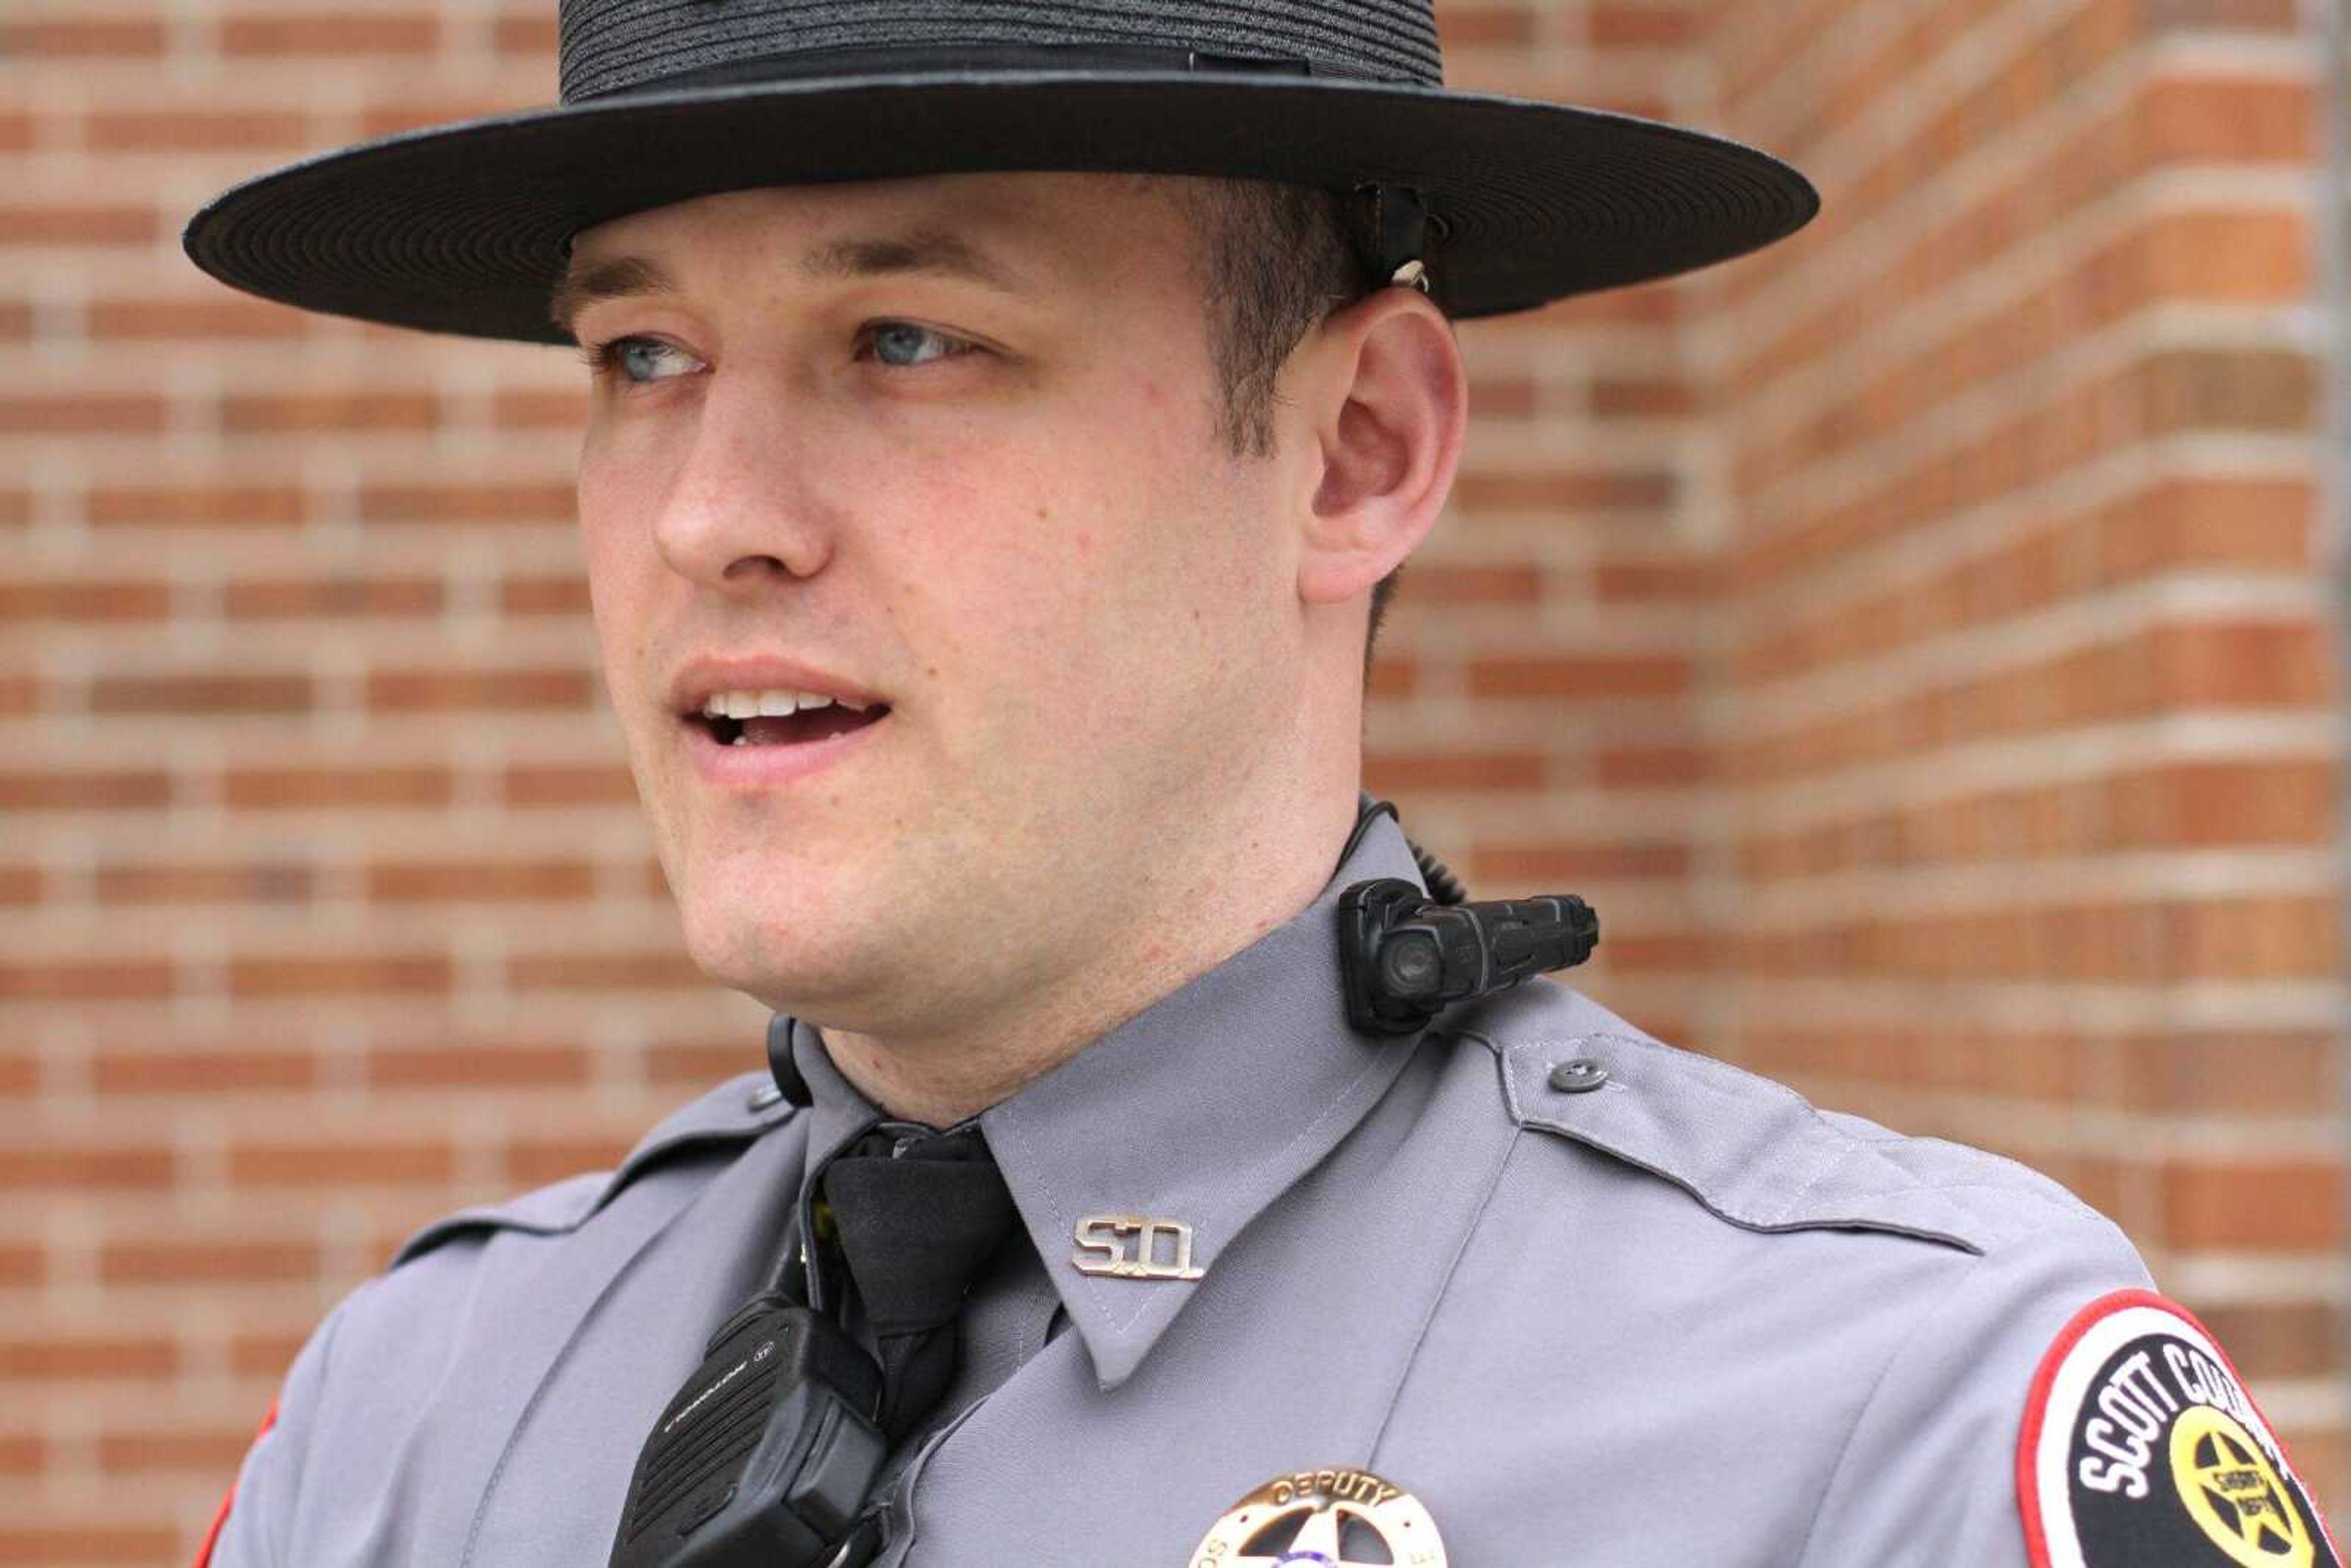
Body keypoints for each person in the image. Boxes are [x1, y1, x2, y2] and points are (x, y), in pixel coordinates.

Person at [178, 2, 2338, 1566]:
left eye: (908, 337)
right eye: (641, 356)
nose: (708, 516)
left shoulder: (1887, 1429)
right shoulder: (419, 1420)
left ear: (1358, 448)